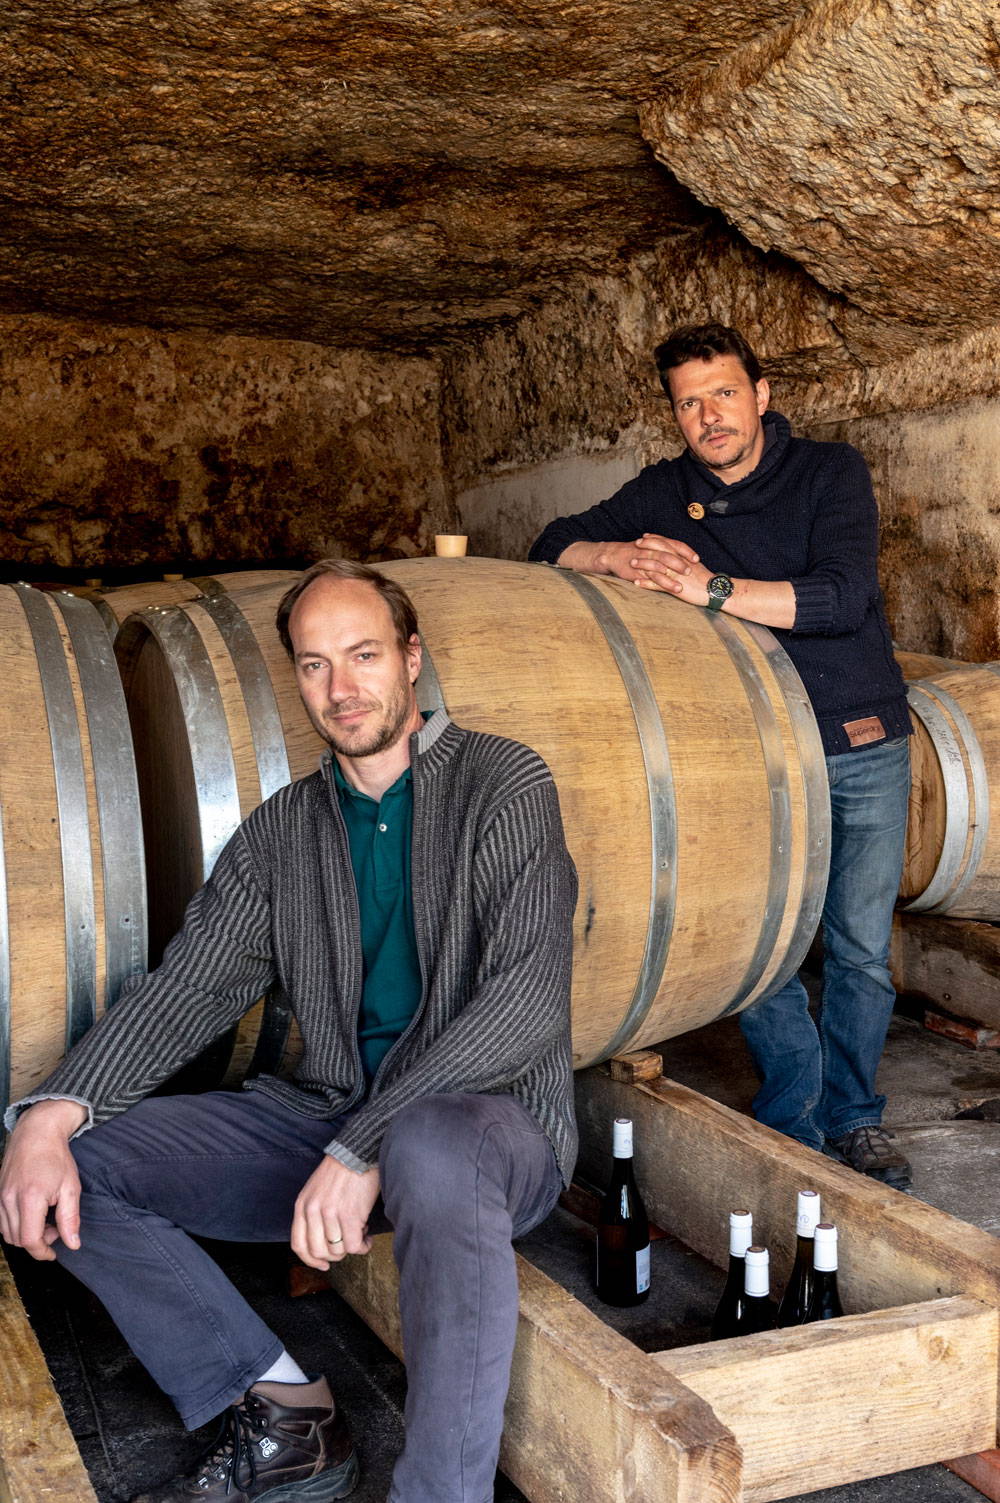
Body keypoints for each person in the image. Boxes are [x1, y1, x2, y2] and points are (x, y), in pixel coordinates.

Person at [0, 559, 579, 1503]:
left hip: (486, 1130)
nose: (340, 687)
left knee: (430, 1142)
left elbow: (526, 1002)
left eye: (363, 655)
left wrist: (364, 1144)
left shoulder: (502, 780)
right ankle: (283, 1413)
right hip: (326, 1117)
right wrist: (50, 1112)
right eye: (315, 664)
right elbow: (188, 986)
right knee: (82, 1165)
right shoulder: (282, 831)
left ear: (412, 658)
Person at [530, 321, 913, 1192]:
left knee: (857, 948)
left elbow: (842, 597)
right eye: (689, 403)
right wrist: (617, 554)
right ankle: (794, 1119)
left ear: (762, 395)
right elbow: (549, 541)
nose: (710, 416)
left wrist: (709, 589)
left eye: (725, 393)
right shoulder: (663, 490)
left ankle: (855, 1117)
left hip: (857, 739)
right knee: (762, 947)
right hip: (748, 755)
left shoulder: (830, 471)